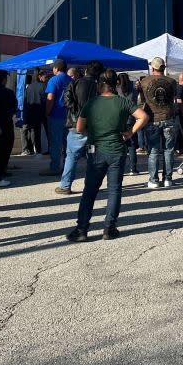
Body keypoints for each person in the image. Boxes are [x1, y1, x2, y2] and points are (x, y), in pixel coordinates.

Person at [65, 70, 149, 242]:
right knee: (114, 189)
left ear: (100, 84)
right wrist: (130, 132)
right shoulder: (123, 102)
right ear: (116, 84)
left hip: (96, 150)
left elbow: (80, 128)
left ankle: (82, 229)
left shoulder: (91, 103)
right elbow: (143, 116)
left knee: (90, 190)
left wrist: (95, 129)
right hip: (117, 149)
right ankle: (109, 228)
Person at [58, 60, 103, 194]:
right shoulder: (100, 87)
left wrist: (76, 112)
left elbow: (65, 100)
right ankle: (91, 186)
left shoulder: (76, 82)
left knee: (71, 156)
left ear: (86, 70)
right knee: (92, 157)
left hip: (75, 125)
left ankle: (66, 186)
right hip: (94, 128)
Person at [139, 57, 179, 188]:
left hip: (152, 119)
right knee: (169, 150)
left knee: (154, 151)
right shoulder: (172, 82)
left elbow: (141, 101)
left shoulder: (144, 81)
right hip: (169, 118)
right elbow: (174, 100)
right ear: (164, 68)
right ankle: (168, 179)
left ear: (153, 68)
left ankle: (154, 180)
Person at [40, 59, 72, 176]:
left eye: (53, 68)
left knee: (55, 143)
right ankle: (67, 167)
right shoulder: (71, 80)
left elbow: (50, 97)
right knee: (67, 143)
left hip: (56, 115)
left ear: (56, 68)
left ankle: (54, 167)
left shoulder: (53, 80)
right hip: (69, 116)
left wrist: (47, 112)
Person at [117, 72, 141, 176]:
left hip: (119, 120)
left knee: (120, 146)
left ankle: (119, 168)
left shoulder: (116, 91)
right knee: (132, 146)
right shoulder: (134, 91)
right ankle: (133, 168)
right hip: (131, 119)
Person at [21, 74, 45, 155]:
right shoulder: (40, 86)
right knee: (35, 131)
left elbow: (24, 100)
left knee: (26, 131)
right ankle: (37, 149)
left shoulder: (26, 88)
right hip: (37, 111)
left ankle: (27, 149)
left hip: (27, 111)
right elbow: (43, 99)